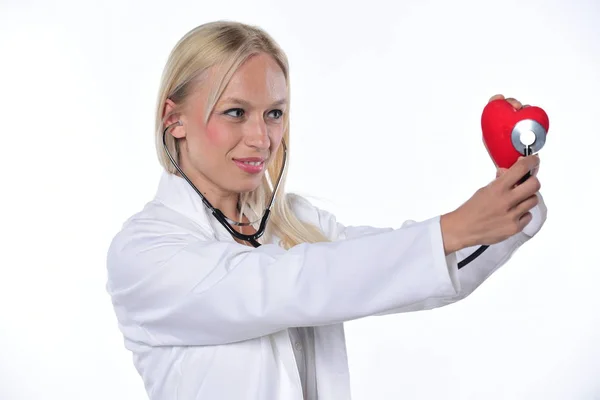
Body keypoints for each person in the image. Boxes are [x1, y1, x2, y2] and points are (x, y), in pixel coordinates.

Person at [105, 20, 547, 400]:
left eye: (275, 113)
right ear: (174, 120)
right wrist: (451, 229)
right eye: (236, 112)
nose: (262, 138)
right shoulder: (144, 253)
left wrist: (510, 189)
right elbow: (285, 286)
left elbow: (414, 272)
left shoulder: (295, 222)